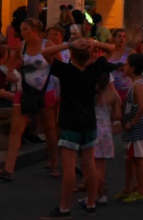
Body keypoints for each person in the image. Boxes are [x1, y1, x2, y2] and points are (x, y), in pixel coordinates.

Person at [44, 37, 119, 219]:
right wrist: (94, 43)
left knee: (69, 168)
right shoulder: (94, 69)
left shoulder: (66, 71)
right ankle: (92, 203)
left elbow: (46, 52)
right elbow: (111, 48)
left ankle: (64, 207)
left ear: (71, 55)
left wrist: (70, 44)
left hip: (70, 122)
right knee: (89, 164)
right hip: (89, 121)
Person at [2, 17, 62, 181]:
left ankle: (54, 162)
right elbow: (14, 61)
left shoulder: (47, 45)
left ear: (35, 30)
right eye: (21, 30)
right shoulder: (22, 46)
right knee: (16, 129)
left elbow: (60, 65)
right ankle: (8, 168)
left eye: (26, 29)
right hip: (26, 90)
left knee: (49, 129)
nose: (23, 33)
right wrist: (10, 74)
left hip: (45, 89)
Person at [84, 70, 121, 210]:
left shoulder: (90, 95)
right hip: (105, 130)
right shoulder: (112, 96)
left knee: (91, 165)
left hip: (92, 128)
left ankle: (92, 197)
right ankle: (100, 195)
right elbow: (117, 115)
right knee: (101, 165)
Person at [117, 53, 143, 204]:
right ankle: (127, 188)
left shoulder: (138, 85)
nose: (124, 67)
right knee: (130, 158)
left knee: (138, 158)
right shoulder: (134, 84)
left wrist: (133, 122)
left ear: (133, 68)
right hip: (132, 128)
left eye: (127, 64)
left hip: (138, 128)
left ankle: (141, 191)